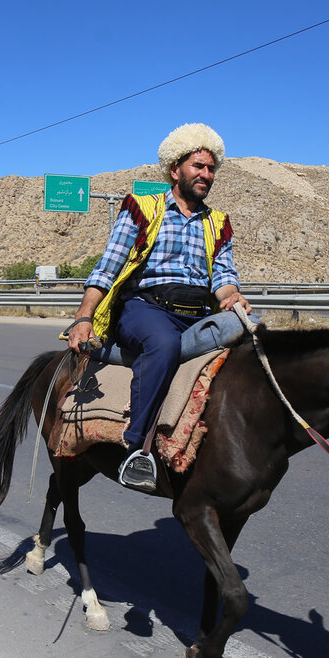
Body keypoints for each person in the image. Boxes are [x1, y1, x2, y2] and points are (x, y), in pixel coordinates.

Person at [66, 123, 250, 492]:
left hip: (197, 314)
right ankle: (137, 448)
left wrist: (231, 297)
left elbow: (224, 277)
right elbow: (108, 267)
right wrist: (83, 316)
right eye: (198, 166)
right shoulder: (142, 209)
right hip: (146, 308)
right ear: (175, 170)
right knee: (163, 345)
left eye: (211, 168)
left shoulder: (219, 223)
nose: (206, 174)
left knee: (248, 330)